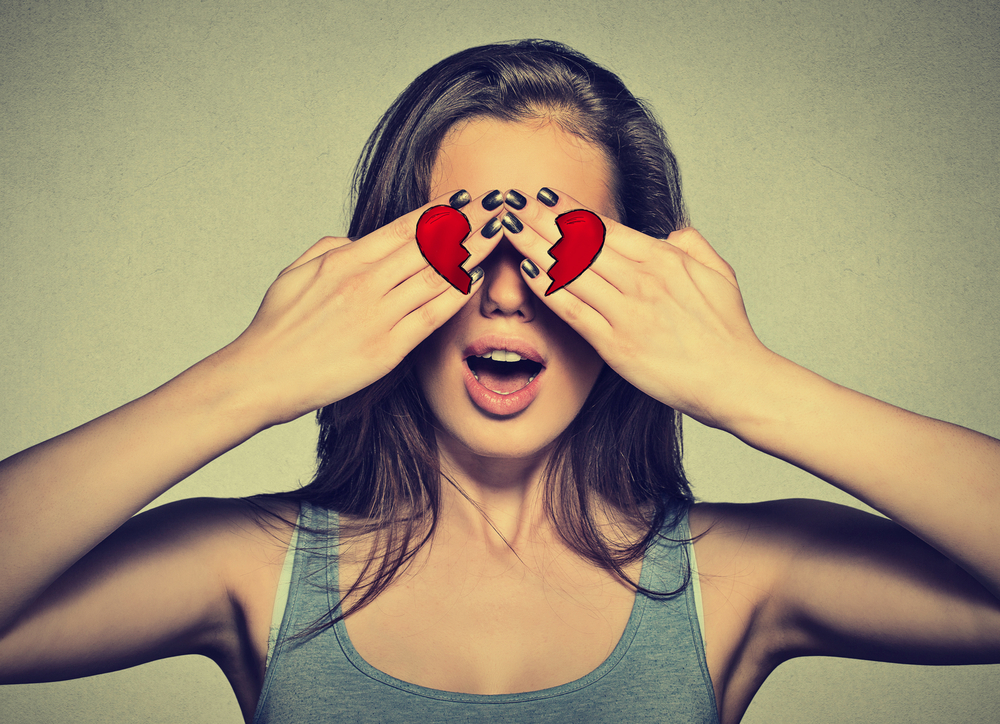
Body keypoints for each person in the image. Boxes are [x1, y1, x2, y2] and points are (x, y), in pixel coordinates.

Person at [1, 39, 998, 724]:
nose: (507, 293)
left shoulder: (737, 581)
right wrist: (251, 375)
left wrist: (747, 382)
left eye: (560, 256)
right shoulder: (252, 569)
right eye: (462, 247)